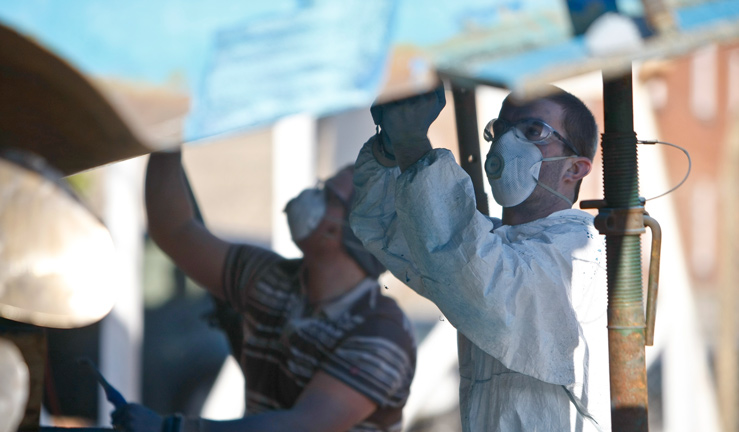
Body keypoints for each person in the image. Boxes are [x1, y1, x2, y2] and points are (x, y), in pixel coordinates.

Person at [350, 84, 610, 431]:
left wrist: (412, 142)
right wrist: (389, 145)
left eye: (533, 131)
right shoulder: (501, 243)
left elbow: (480, 281)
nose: (507, 143)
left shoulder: (581, 252)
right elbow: (393, 226)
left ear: (574, 169)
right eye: (500, 129)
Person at [111, 153, 416, 432]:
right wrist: (164, 141)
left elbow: (299, 426)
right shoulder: (272, 280)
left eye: (328, 195)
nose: (312, 196)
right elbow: (175, 231)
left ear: (347, 230)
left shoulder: (382, 336)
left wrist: (174, 429)